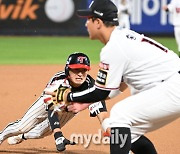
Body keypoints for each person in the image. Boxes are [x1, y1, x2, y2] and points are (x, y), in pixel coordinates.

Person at [47, 0, 180, 153]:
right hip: (170, 85)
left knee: (119, 115)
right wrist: (82, 102)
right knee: (131, 133)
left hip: (173, 86)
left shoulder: (114, 47)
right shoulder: (121, 39)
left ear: (98, 22)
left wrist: (69, 96)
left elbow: (101, 92)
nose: (86, 25)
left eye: (88, 20)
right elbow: (114, 88)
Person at [0, 52, 109, 152]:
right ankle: (1, 136)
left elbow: (101, 112)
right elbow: (52, 109)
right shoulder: (59, 81)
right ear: (68, 70)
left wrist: (108, 129)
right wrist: (58, 134)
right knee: (22, 127)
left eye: (83, 70)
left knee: (41, 133)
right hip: (46, 105)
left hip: (69, 110)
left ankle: (22, 137)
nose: (80, 74)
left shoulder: (92, 88)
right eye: (76, 70)